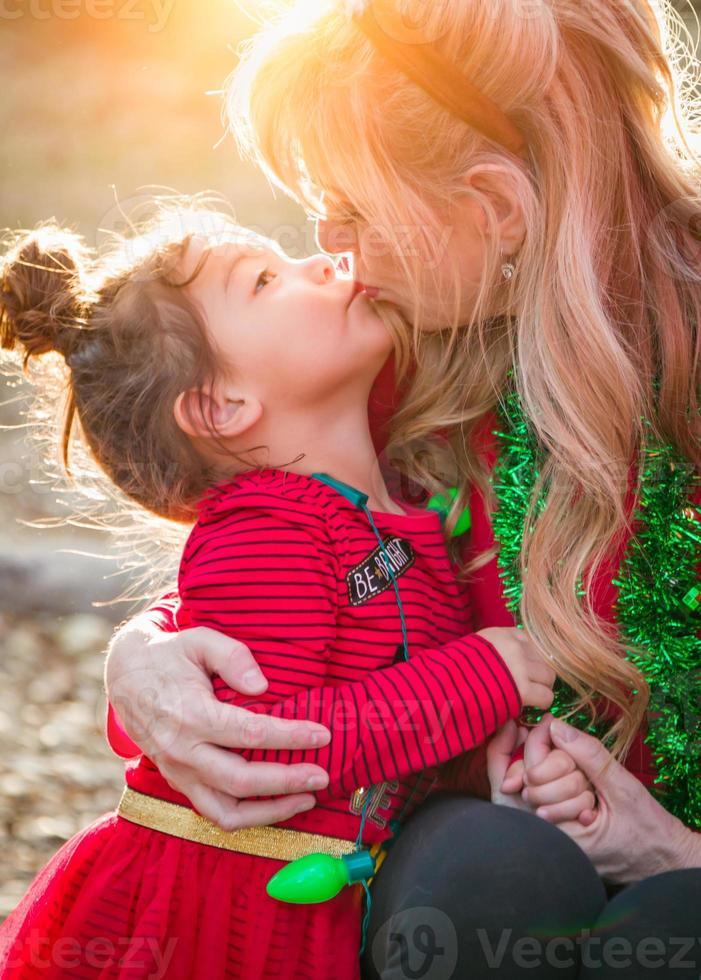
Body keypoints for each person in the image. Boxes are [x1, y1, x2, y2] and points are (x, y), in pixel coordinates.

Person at [103, 0, 701, 976]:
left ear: (493, 209)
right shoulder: (409, 352)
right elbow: (273, 550)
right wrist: (148, 653)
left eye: (352, 208)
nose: (331, 248)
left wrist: (669, 850)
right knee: (478, 872)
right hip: (512, 850)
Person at [0, 206, 566, 977]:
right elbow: (256, 736)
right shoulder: (269, 528)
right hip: (224, 917)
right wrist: (484, 676)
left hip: (315, 888)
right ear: (219, 406)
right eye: (266, 279)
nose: (322, 263)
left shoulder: (383, 508)